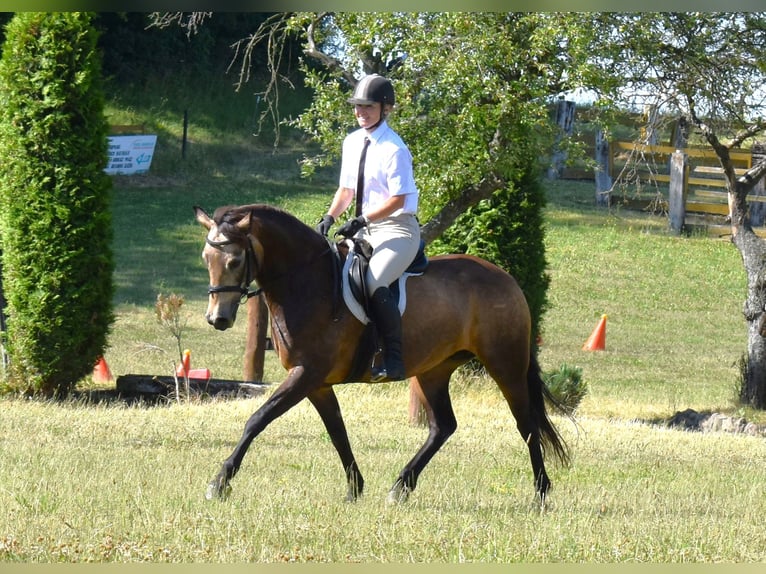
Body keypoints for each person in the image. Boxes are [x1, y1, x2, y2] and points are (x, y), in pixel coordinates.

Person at [315, 74, 420, 382]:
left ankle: (394, 360)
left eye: (368, 107)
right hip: (365, 230)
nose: (361, 112)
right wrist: (330, 217)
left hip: (397, 229)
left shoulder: (394, 148)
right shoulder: (352, 142)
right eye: (357, 107)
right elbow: (346, 190)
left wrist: (363, 219)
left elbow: (399, 198)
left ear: (385, 108)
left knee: (374, 282)